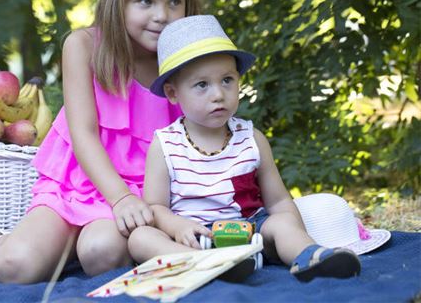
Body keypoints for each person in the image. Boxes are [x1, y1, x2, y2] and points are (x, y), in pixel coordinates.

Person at [0, 0, 203, 283]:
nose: (161, 15)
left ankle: (68, 248)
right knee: (15, 266)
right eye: (145, 1)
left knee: (102, 252)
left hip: (146, 193)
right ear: (116, 3)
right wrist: (118, 199)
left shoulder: (184, 59)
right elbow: (84, 134)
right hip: (82, 180)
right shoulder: (84, 46)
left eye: (174, 1)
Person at [127, 15, 361, 282]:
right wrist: (178, 226)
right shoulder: (165, 144)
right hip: (194, 237)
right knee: (140, 238)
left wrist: (293, 231)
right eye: (202, 85)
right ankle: (200, 263)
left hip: (249, 232)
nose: (218, 94)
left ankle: (310, 256)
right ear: (172, 93)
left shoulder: (251, 139)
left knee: (282, 223)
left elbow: (279, 201)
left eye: (227, 80)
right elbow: (156, 207)